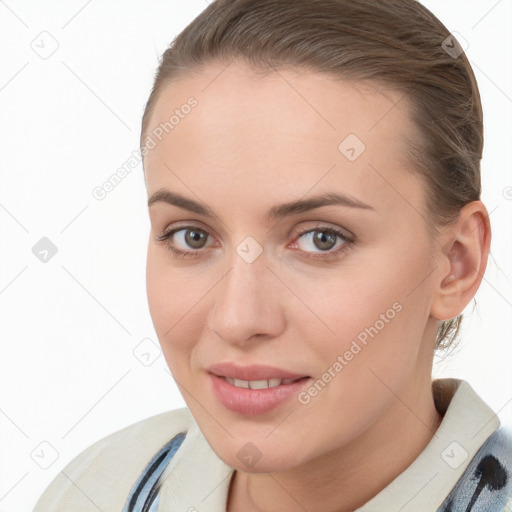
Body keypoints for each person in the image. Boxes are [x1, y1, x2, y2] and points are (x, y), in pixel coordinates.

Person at [34, 0, 512, 510]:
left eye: (320, 239)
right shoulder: (95, 488)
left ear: (455, 264)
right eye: (192, 236)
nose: (238, 320)